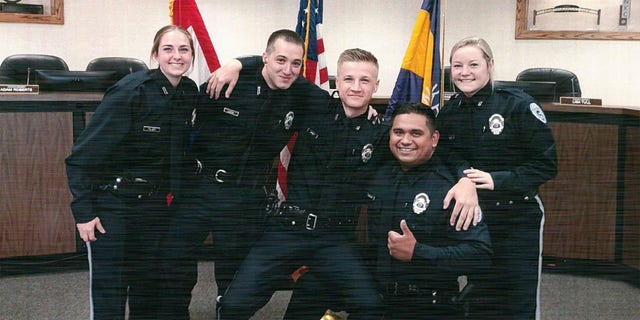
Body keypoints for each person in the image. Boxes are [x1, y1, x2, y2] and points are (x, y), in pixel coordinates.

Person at [157, 29, 332, 319]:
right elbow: (183, 119)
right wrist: (239, 64)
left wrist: (372, 114)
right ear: (264, 58)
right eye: (280, 60)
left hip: (244, 198)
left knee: (233, 275)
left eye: (295, 63)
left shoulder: (301, 94)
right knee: (173, 263)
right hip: (199, 190)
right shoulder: (230, 80)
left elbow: (340, 107)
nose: (287, 70)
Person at [215, 48, 389, 319]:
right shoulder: (313, 104)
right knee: (233, 304)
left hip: (334, 239)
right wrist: (237, 63)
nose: (355, 87)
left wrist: (462, 179)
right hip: (287, 230)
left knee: (370, 305)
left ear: (376, 85)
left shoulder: (383, 133)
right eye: (348, 79)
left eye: (365, 80)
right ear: (336, 82)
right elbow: (281, 68)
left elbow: (426, 148)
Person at [64, 25, 199, 319]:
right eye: (168, 49)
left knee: (147, 288)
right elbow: (81, 157)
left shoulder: (188, 92)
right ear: (155, 54)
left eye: (184, 49)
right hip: (114, 205)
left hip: (152, 207)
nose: (176, 56)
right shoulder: (131, 92)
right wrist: (84, 212)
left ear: (191, 55)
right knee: (110, 291)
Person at [436, 36, 558, 319]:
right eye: (457, 66)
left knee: (517, 299)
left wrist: (497, 180)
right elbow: (446, 157)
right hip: (476, 216)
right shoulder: (449, 111)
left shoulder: (517, 106)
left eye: (473, 64)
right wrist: (466, 177)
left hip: (517, 215)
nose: (464, 72)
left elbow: (546, 165)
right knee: (481, 295)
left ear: (489, 66)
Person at [367, 102, 492, 319]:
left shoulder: (451, 189)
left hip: (429, 307)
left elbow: (480, 255)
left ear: (433, 139)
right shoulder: (380, 175)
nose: (405, 140)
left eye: (416, 133)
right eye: (398, 132)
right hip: (380, 303)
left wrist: (418, 252)